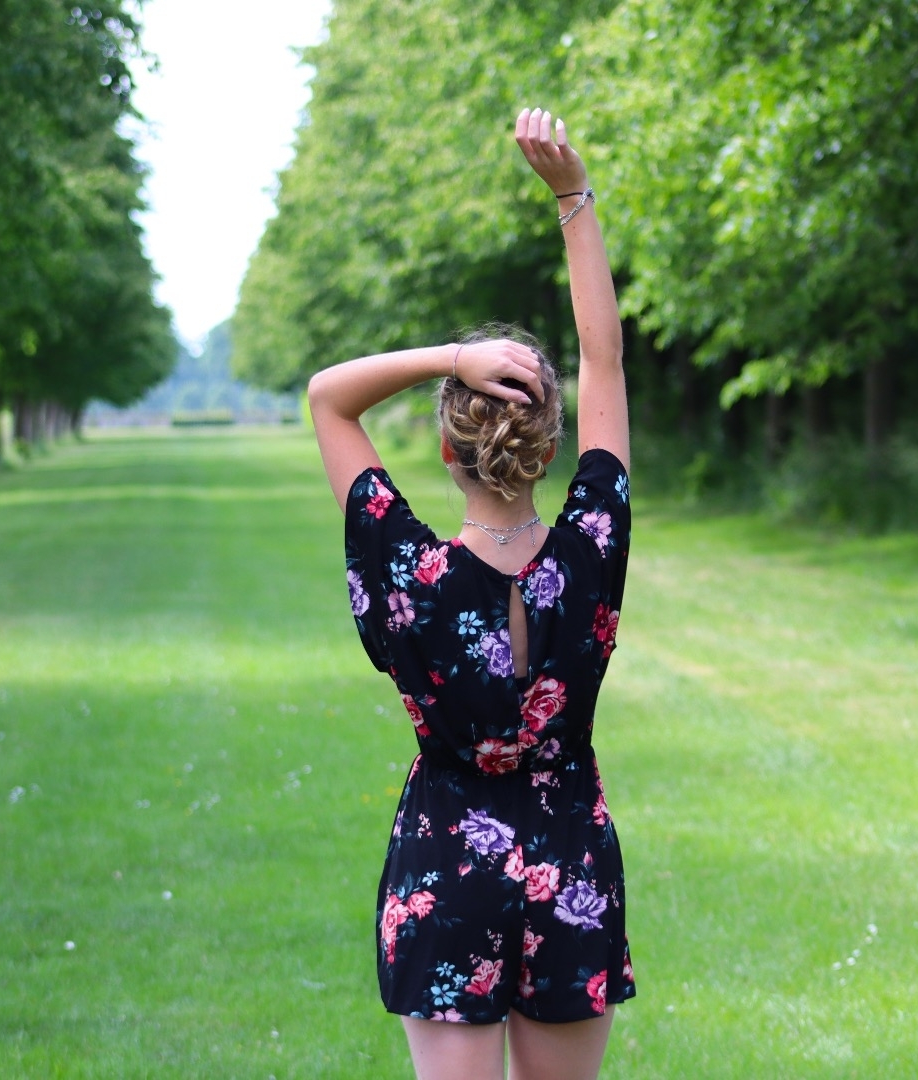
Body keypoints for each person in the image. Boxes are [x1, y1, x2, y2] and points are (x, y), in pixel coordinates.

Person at [307, 107, 633, 1080]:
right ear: (549, 444)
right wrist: (572, 197)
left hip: (445, 865)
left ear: (448, 451)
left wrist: (451, 360)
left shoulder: (413, 575)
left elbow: (329, 396)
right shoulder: (592, 549)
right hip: (571, 859)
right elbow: (605, 359)